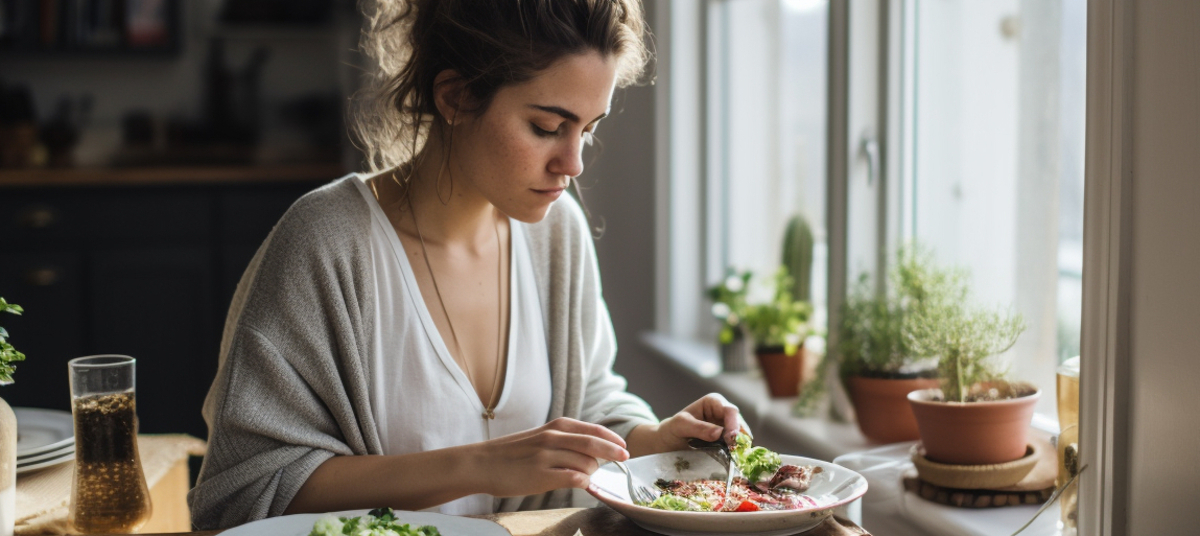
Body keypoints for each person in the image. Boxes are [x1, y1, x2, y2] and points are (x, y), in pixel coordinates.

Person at [187, 0, 745, 529]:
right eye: (547, 128)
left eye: (588, 129)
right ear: (454, 97)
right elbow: (246, 487)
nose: (572, 163)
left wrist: (654, 440)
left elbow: (591, 402)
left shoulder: (558, 233)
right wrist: (480, 464)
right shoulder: (327, 243)